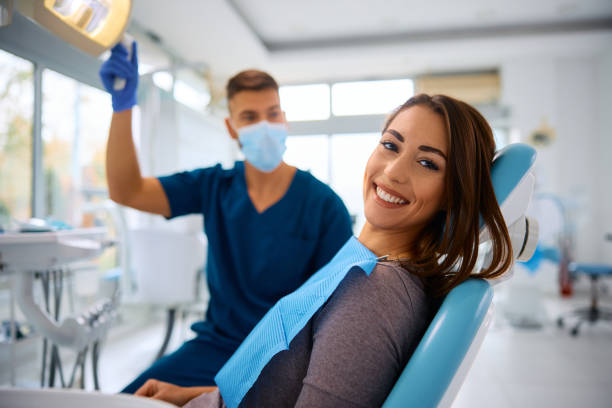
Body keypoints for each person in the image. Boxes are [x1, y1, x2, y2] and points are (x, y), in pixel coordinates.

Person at [133, 94, 514, 407]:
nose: (395, 172)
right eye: (390, 145)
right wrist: (199, 398)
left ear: (454, 194)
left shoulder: (374, 291)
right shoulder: (361, 263)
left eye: (428, 163)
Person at [98, 43, 353, 392]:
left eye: (273, 113)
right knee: (130, 400)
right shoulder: (214, 186)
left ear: (285, 120)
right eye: (249, 117)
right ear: (231, 128)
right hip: (215, 349)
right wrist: (123, 107)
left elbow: (337, 317)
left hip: (284, 356)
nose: (264, 125)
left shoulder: (324, 205)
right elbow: (127, 191)